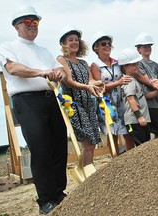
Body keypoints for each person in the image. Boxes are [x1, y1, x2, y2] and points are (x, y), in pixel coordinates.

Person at [0, 6, 67, 214]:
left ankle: (59, 193)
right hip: (27, 102)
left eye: (35, 22)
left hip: (50, 99)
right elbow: (13, 69)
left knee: (59, 146)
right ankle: (45, 199)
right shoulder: (7, 47)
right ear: (17, 26)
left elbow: (59, 68)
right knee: (41, 149)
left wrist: (60, 73)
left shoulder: (44, 51)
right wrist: (44, 72)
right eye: (28, 22)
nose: (33, 26)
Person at [57, 26, 101, 167]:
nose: (74, 42)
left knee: (92, 144)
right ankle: (88, 177)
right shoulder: (61, 60)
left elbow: (90, 81)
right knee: (87, 143)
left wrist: (97, 83)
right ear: (64, 43)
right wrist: (88, 87)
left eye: (76, 40)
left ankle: (86, 170)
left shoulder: (83, 63)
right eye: (70, 40)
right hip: (74, 106)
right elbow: (69, 82)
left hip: (88, 104)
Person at [90, 32, 135, 152]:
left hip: (121, 101)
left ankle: (131, 158)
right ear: (96, 48)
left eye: (109, 44)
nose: (107, 46)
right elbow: (100, 87)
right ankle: (115, 161)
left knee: (128, 131)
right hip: (107, 103)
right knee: (113, 133)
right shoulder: (95, 65)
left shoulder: (117, 62)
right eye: (103, 44)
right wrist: (118, 83)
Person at [118, 48, 154, 146]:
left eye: (137, 64)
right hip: (135, 120)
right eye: (134, 64)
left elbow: (143, 96)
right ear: (125, 66)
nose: (137, 66)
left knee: (145, 145)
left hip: (141, 119)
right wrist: (140, 116)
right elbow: (130, 99)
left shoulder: (134, 80)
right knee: (141, 147)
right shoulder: (128, 81)